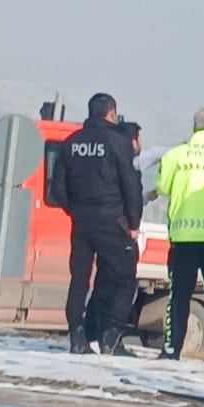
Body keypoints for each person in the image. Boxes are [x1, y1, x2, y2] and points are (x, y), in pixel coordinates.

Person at [55, 93, 143, 356]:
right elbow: (131, 186)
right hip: (112, 220)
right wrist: (133, 222)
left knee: (79, 279)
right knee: (125, 278)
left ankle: (77, 336)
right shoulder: (118, 142)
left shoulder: (71, 143)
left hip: (81, 222)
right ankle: (111, 336)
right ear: (111, 113)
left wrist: (76, 209)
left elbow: (57, 189)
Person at [153, 108, 204, 360]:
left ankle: (172, 348)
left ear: (194, 127)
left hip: (184, 237)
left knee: (179, 296)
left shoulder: (177, 154)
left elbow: (162, 186)